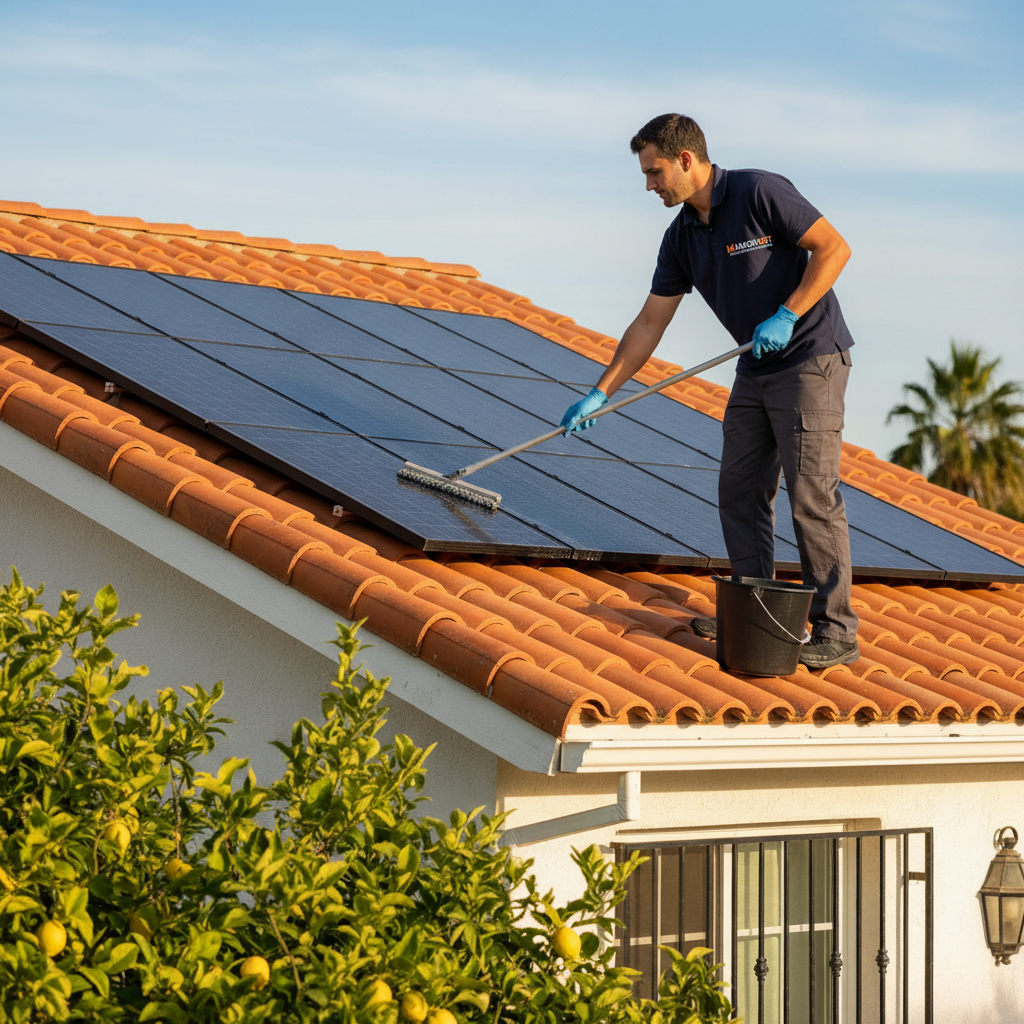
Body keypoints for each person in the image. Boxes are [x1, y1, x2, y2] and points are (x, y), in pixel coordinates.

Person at [559, 113, 859, 670]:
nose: (649, 185)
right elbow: (649, 323)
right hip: (756, 367)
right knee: (739, 490)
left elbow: (835, 249)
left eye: (654, 173)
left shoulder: (758, 191)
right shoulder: (680, 239)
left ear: (686, 160)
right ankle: (756, 610)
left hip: (810, 358)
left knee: (810, 494)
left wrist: (789, 314)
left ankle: (836, 629)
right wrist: (600, 391)